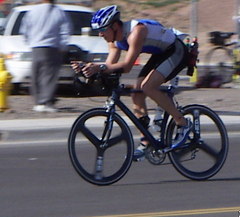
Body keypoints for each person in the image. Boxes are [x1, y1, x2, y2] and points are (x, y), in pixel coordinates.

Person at [72, 5, 192, 160]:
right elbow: (109, 65)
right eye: (98, 31)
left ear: (115, 26)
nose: (100, 34)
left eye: (102, 30)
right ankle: (146, 140)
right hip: (160, 54)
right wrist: (87, 68)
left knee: (147, 87)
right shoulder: (113, 39)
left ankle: (182, 122)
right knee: (137, 93)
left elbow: (127, 67)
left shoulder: (136, 32)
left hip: (176, 51)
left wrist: (99, 68)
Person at [20, 0, 72, 112]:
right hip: (52, 47)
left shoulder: (33, 11)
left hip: (36, 46)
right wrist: (63, 46)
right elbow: (65, 30)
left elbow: (25, 29)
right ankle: (47, 102)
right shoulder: (59, 12)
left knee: (36, 74)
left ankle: (38, 101)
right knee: (49, 75)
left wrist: (29, 42)